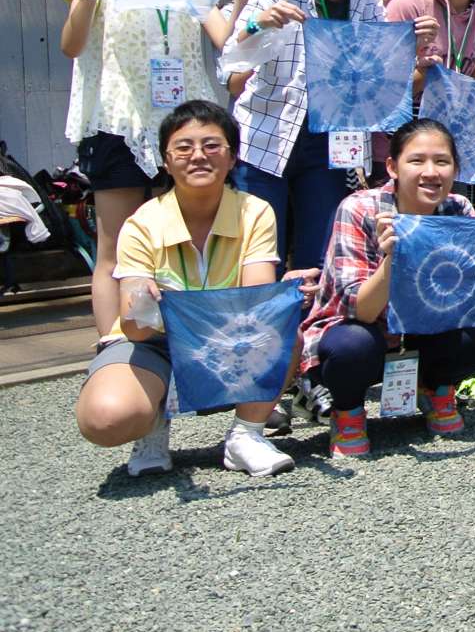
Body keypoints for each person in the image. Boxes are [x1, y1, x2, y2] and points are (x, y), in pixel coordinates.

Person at [61, 0, 256, 335]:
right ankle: (113, 345)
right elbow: (72, 43)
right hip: (121, 119)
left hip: (184, 127)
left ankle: (177, 339)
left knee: (182, 238)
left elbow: (224, 37)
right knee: (116, 244)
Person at [73, 101, 308, 479]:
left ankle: (246, 435)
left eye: (212, 145)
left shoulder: (256, 211)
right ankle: (151, 425)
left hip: (226, 339)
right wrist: (145, 306)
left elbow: (256, 303)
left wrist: (284, 295)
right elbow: (134, 330)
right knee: (105, 418)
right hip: (154, 343)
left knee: (283, 326)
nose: (198, 156)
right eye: (183, 147)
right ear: (166, 161)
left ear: (232, 157)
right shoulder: (142, 224)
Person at [222, 0, 432, 272]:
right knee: (260, 253)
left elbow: (378, 79)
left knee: (320, 255)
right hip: (267, 137)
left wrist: (411, 52)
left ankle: (314, 328)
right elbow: (232, 70)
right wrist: (261, 24)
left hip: (332, 143)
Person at [300, 118, 475, 460]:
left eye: (442, 161)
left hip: (423, 330)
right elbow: (361, 310)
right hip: (362, 331)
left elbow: (463, 299)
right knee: (352, 346)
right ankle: (347, 412)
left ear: (455, 169)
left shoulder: (458, 208)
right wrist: (393, 259)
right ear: (391, 166)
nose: (431, 172)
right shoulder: (360, 209)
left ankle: (435, 387)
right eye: (417, 161)